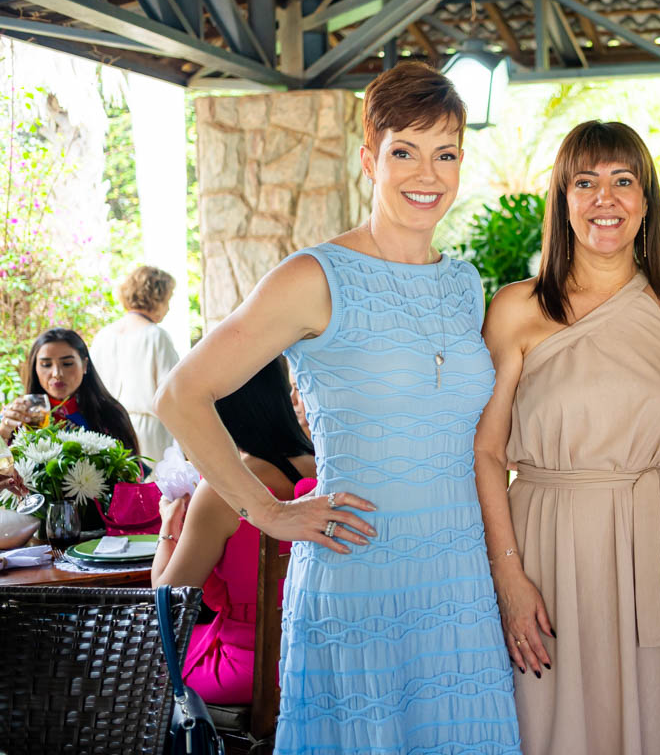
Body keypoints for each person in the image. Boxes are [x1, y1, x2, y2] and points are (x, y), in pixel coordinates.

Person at [155, 62, 521, 753]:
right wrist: (267, 511)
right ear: (369, 158)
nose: (427, 172)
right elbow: (181, 394)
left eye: (445, 153)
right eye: (404, 151)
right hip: (359, 576)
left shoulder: (466, 285)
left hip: (457, 583)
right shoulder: (314, 277)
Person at [475, 120, 660, 755]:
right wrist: (508, 577)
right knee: (551, 719)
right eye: (585, 182)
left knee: (654, 714)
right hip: (547, 542)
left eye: (622, 181)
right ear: (563, 198)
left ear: (646, 199)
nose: (604, 199)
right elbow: (488, 451)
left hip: (655, 539)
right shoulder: (517, 308)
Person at [152, 356, 316, 705]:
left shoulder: (223, 490)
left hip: (249, 668)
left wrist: (169, 524)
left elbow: (168, 602)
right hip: (322, 661)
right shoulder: (325, 468)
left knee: (143, 661)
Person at [91, 265, 181, 462]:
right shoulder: (157, 336)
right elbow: (173, 393)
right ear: (157, 298)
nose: (168, 308)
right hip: (150, 434)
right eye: (168, 300)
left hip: (109, 430)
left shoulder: (102, 337)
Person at [1, 328, 139, 455]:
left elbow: (133, 475)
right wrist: (3, 434)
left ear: (85, 365)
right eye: (46, 365)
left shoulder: (111, 415)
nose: (56, 373)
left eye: (67, 364)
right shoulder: (16, 416)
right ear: (35, 368)